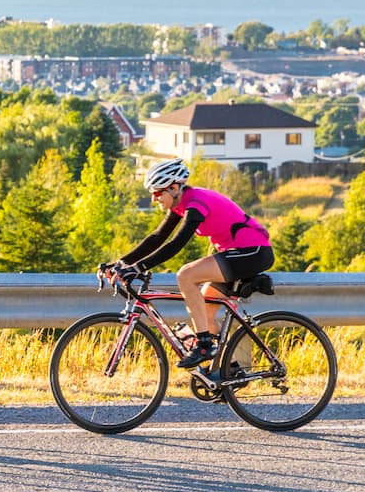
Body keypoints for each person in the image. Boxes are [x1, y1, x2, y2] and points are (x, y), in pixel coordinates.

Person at [109, 158, 274, 369]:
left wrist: (138, 268)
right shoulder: (181, 204)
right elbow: (158, 237)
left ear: (175, 187)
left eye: (158, 192)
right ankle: (226, 371)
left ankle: (204, 344)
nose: (153, 198)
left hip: (252, 252)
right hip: (237, 253)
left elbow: (176, 244)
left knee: (186, 275)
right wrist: (121, 263)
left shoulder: (196, 202)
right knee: (204, 313)